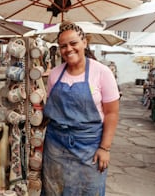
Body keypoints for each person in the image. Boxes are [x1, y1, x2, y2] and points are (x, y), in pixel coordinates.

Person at [41, 21, 120, 196]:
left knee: (89, 190)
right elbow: (52, 109)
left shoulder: (102, 72)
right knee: (54, 189)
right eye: (63, 46)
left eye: (73, 43)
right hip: (55, 146)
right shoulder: (55, 74)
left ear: (85, 42)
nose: (68, 49)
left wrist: (105, 148)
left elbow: (112, 113)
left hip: (89, 147)